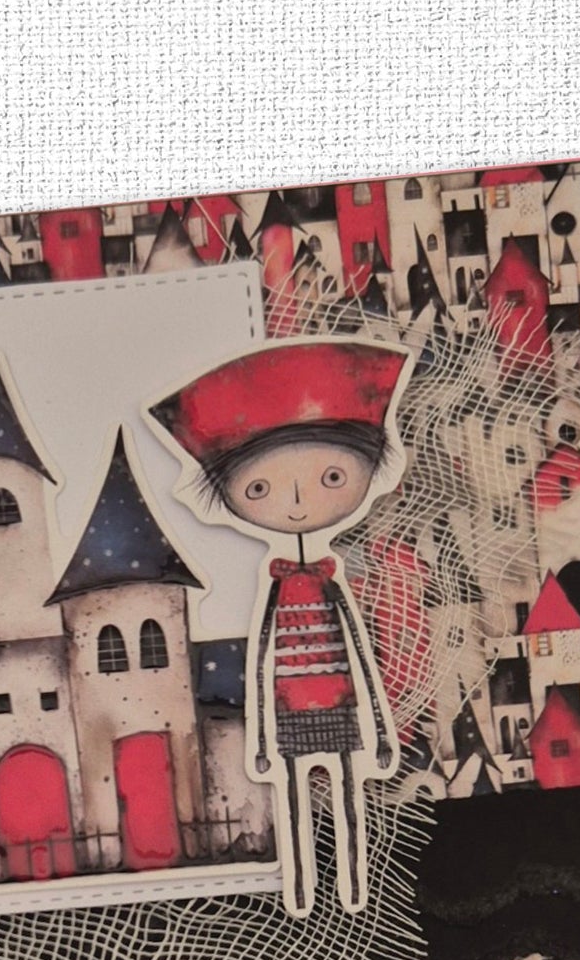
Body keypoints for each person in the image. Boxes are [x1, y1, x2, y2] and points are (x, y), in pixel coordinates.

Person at [148, 340, 413, 917]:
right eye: (260, 489)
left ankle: (352, 883)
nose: (295, 503)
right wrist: (264, 742)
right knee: (292, 801)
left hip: (339, 704)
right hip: (290, 709)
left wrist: (380, 732)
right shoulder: (274, 588)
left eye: (332, 476)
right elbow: (263, 665)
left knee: (348, 793)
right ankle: (301, 887)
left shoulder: (330, 583)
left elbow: (359, 658)